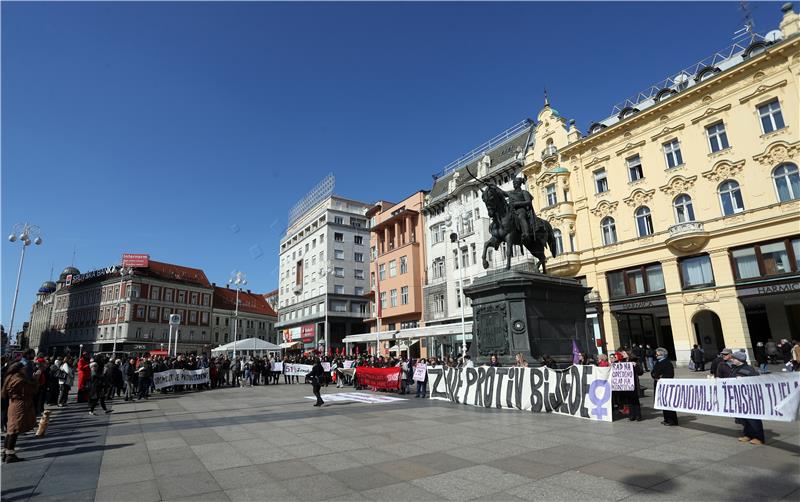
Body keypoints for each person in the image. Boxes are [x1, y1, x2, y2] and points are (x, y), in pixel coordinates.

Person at [2, 363, 38, 463]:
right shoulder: (19, 380)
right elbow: (31, 391)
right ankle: (10, 454)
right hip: (19, 405)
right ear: (19, 369)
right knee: (14, 430)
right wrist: (35, 379)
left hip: (13, 404)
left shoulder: (10, 377)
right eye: (23, 368)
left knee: (11, 429)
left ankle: (6, 452)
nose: (25, 370)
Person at [729, 351, 764, 445]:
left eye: (733, 358)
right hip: (739, 397)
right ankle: (748, 434)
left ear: (739, 360)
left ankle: (759, 437)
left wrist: (744, 381)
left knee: (753, 418)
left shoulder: (748, 369)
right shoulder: (735, 368)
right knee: (744, 418)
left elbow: (756, 381)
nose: (731, 359)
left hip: (749, 398)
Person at [651, 347, 678, 426]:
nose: (656, 355)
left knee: (668, 403)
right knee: (663, 403)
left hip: (666, 386)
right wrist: (654, 375)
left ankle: (672, 420)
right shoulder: (658, 362)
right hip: (659, 385)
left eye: (657, 353)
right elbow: (653, 372)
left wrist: (661, 377)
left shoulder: (667, 363)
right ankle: (666, 418)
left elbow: (670, 374)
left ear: (662, 354)